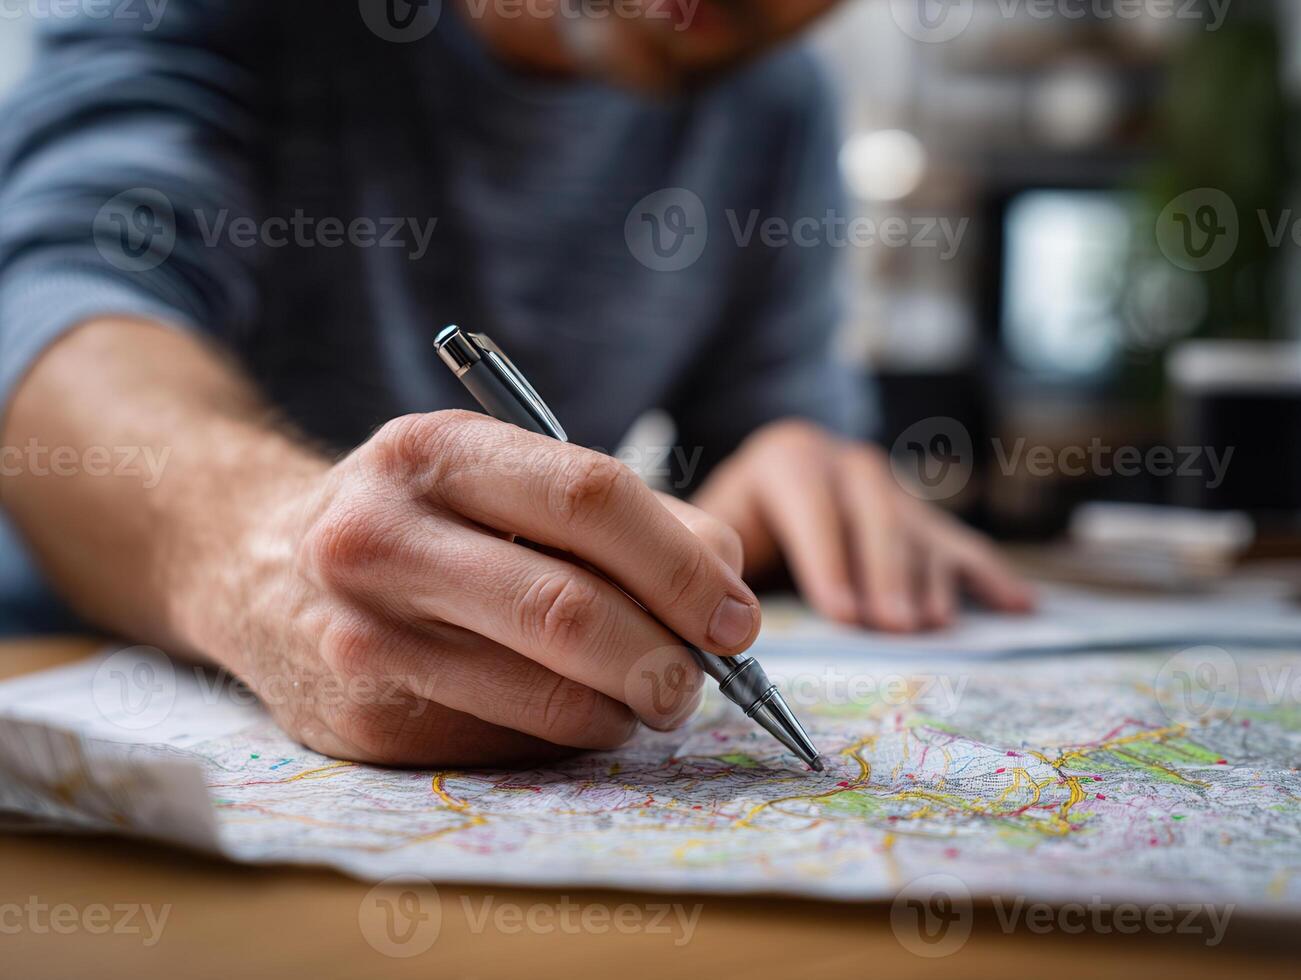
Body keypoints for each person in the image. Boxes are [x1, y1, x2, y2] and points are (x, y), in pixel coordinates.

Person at [0, 0, 1031, 766]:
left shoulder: (770, 97)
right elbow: (50, 319)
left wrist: (779, 464)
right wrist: (263, 558)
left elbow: (752, 447)